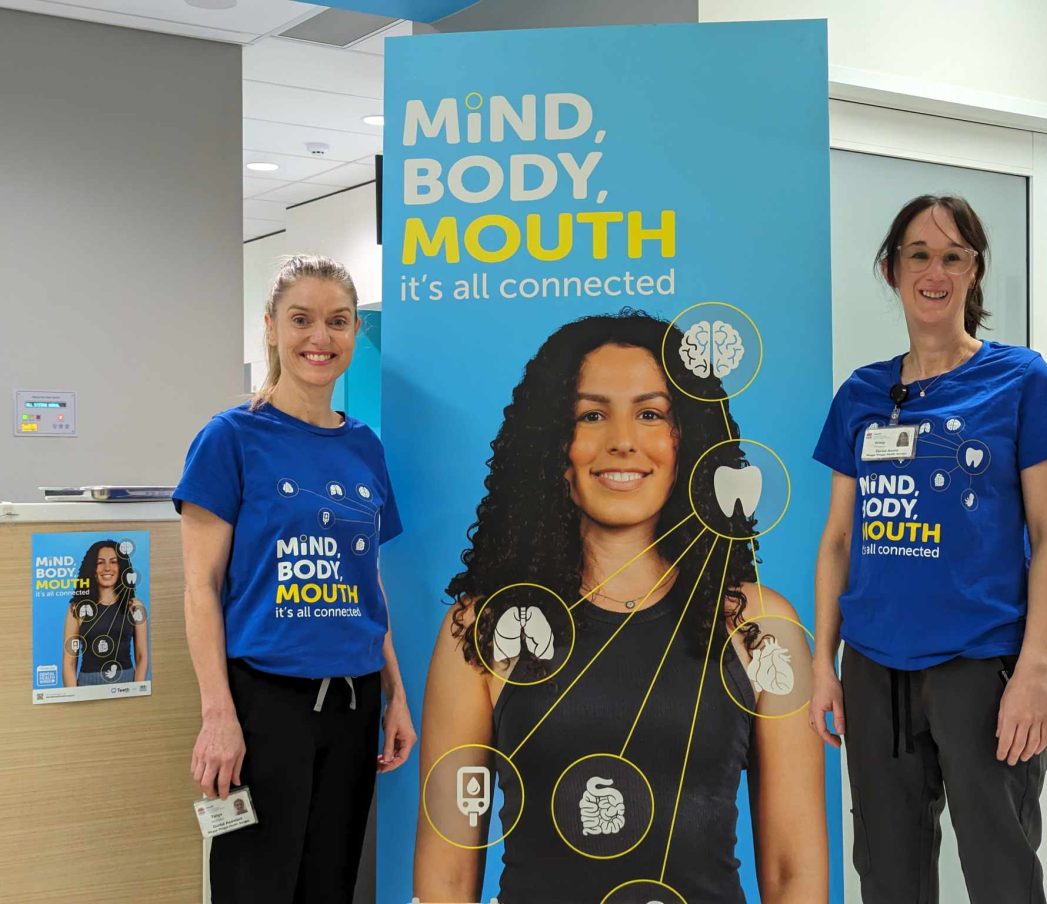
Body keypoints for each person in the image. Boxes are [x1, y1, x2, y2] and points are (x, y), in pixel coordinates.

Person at [415, 311, 826, 904]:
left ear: (689, 437)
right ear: (552, 442)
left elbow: (795, 872)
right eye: (591, 414)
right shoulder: (483, 629)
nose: (623, 440)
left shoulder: (761, 628)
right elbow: (446, 878)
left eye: (651, 413)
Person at [810, 196, 1047, 904]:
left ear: (974, 271)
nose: (936, 271)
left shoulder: (1021, 381)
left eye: (953, 255)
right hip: (874, 667)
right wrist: (822, 663)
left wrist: (1034, 672)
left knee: (1001, 872)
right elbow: (839, 538)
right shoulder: (862, 395)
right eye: (920, 255)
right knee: (888, 874)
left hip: (980, 668)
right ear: (892, 270)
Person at [174, 254, 417, 904]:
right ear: (272, 328)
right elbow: (200, 588)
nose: (321, 338)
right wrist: (218, 716)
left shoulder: (364, 445)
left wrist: (395, 691)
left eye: (338, 321)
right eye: (302, 319)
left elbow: (367, 580)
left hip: (354, 703)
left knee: (328, 887)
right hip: (265, 706)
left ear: (354, 335)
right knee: (256, 887)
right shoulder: (230, 438)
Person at [62, 540, 148, 686]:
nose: (107, 568)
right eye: (100, 562)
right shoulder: (77, 609)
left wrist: (138, 691)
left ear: (121, 568)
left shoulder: (134, 607)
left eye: (113, 562)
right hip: (87, 684)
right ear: (92, 569)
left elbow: (142, 656)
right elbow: (69, 662)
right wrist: (73, 697)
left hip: (127, 683)